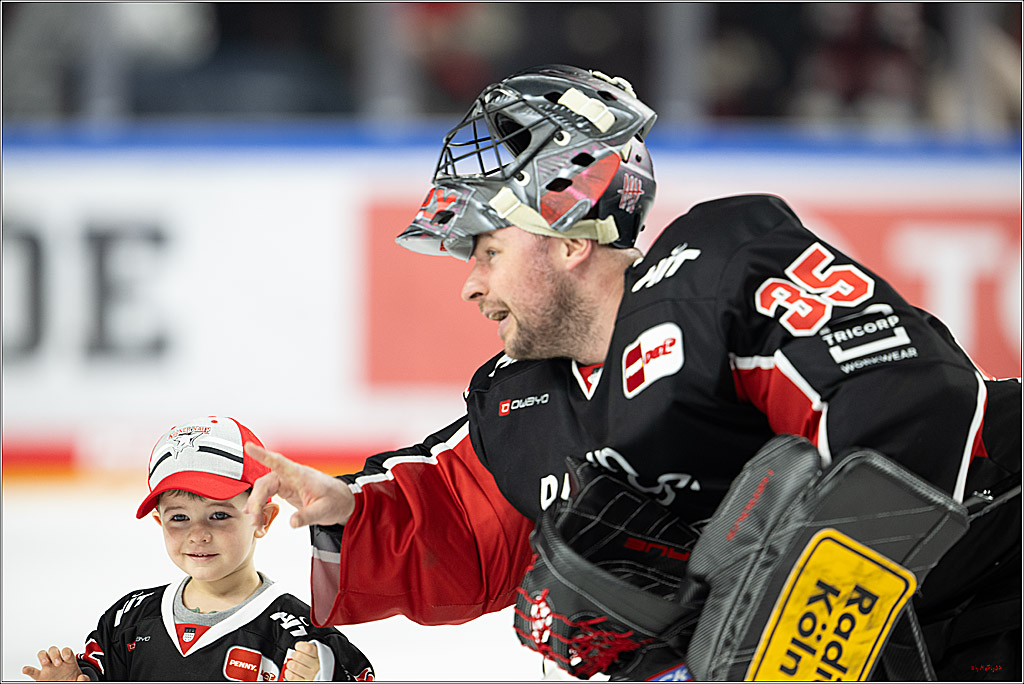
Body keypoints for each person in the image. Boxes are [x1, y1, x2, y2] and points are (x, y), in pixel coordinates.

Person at [245, 65, 1021, 680]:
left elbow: (911, 400)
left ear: (569, 235)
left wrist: (801, 617)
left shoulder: (716, 270)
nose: (470, 285)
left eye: (487, 249)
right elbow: (458, 512)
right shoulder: (523, 402)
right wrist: (344, 504)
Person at [23, 416, 375, 682]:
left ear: (263, 519)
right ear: (160, 522)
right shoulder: (128, 619)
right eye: (179, 518)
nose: (198, 534)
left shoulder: (299, 638)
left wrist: (323, 675)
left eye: (218, 515)